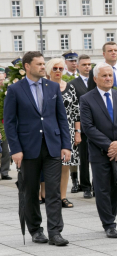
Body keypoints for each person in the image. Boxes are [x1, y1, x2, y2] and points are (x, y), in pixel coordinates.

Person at [4, 51, 71, 246]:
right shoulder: (15, 90)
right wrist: (15, 149)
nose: (44, 67)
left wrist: (66, 144)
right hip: (28, 148)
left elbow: (61, 118)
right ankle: (35, 229)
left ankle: (55, 232)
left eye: (44, 63)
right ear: (27, 66)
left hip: (52, 146)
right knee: (30, 190)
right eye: (40, 64)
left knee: (53, 191)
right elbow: (9, 122)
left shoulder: (52, 87)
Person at [80, 63, 117, 238]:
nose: (108, 78)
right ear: (95, 79)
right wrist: (109, 145)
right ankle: (109, 224)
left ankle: (112, 217)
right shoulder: (87, 99)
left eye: (110, 75)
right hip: (99, 151)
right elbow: (88, 127)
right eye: (104, 76)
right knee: (102, 188)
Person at [88, 42, 117, 202]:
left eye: (115, 50)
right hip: (102, 125)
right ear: (104, 53)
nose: (113, 53)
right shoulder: (98, 71)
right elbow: (91, 98)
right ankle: (98, 188)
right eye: (110, 50)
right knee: (103, 176)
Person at [46, 58, 81, 209]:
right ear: (49, 70)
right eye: (55, 68)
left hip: (68, 131)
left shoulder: (70, 87)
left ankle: (63, 197)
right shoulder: (44, 87)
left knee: (66, 164)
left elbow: (76, 112)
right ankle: (49, 195)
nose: (58, 71)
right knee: (51, 165)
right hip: (49, 131)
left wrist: (77, 132)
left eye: (61, 68)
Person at [69, 54, 93, 199]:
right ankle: (86, 186)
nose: (87, 67)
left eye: (89, 64)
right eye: (84, 64)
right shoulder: (73, 83)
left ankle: (97, 185)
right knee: (83, 158)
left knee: (97, 158)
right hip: (82, 126)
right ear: (78, 66)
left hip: (97, 126)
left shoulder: (96, 80)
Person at [0, 68, 12, 180]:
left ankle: (4, 172)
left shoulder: (8, 91)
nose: (1, 82)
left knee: (6, 150)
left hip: (5, 123)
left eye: (2, 79)